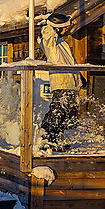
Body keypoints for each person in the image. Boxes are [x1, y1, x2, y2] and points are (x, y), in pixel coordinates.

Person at [38, 12, 83, 146]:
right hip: (61, 82)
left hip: (71, 82)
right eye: (64, 27)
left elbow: (70, 63)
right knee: (59, 110)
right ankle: (47, 137)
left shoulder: (61, 43)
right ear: (57, 27)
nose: (66, 30)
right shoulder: (50, 42)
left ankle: (56, 137)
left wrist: (80, 78)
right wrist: (52, 25)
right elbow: (46, 32)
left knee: (69, 113)